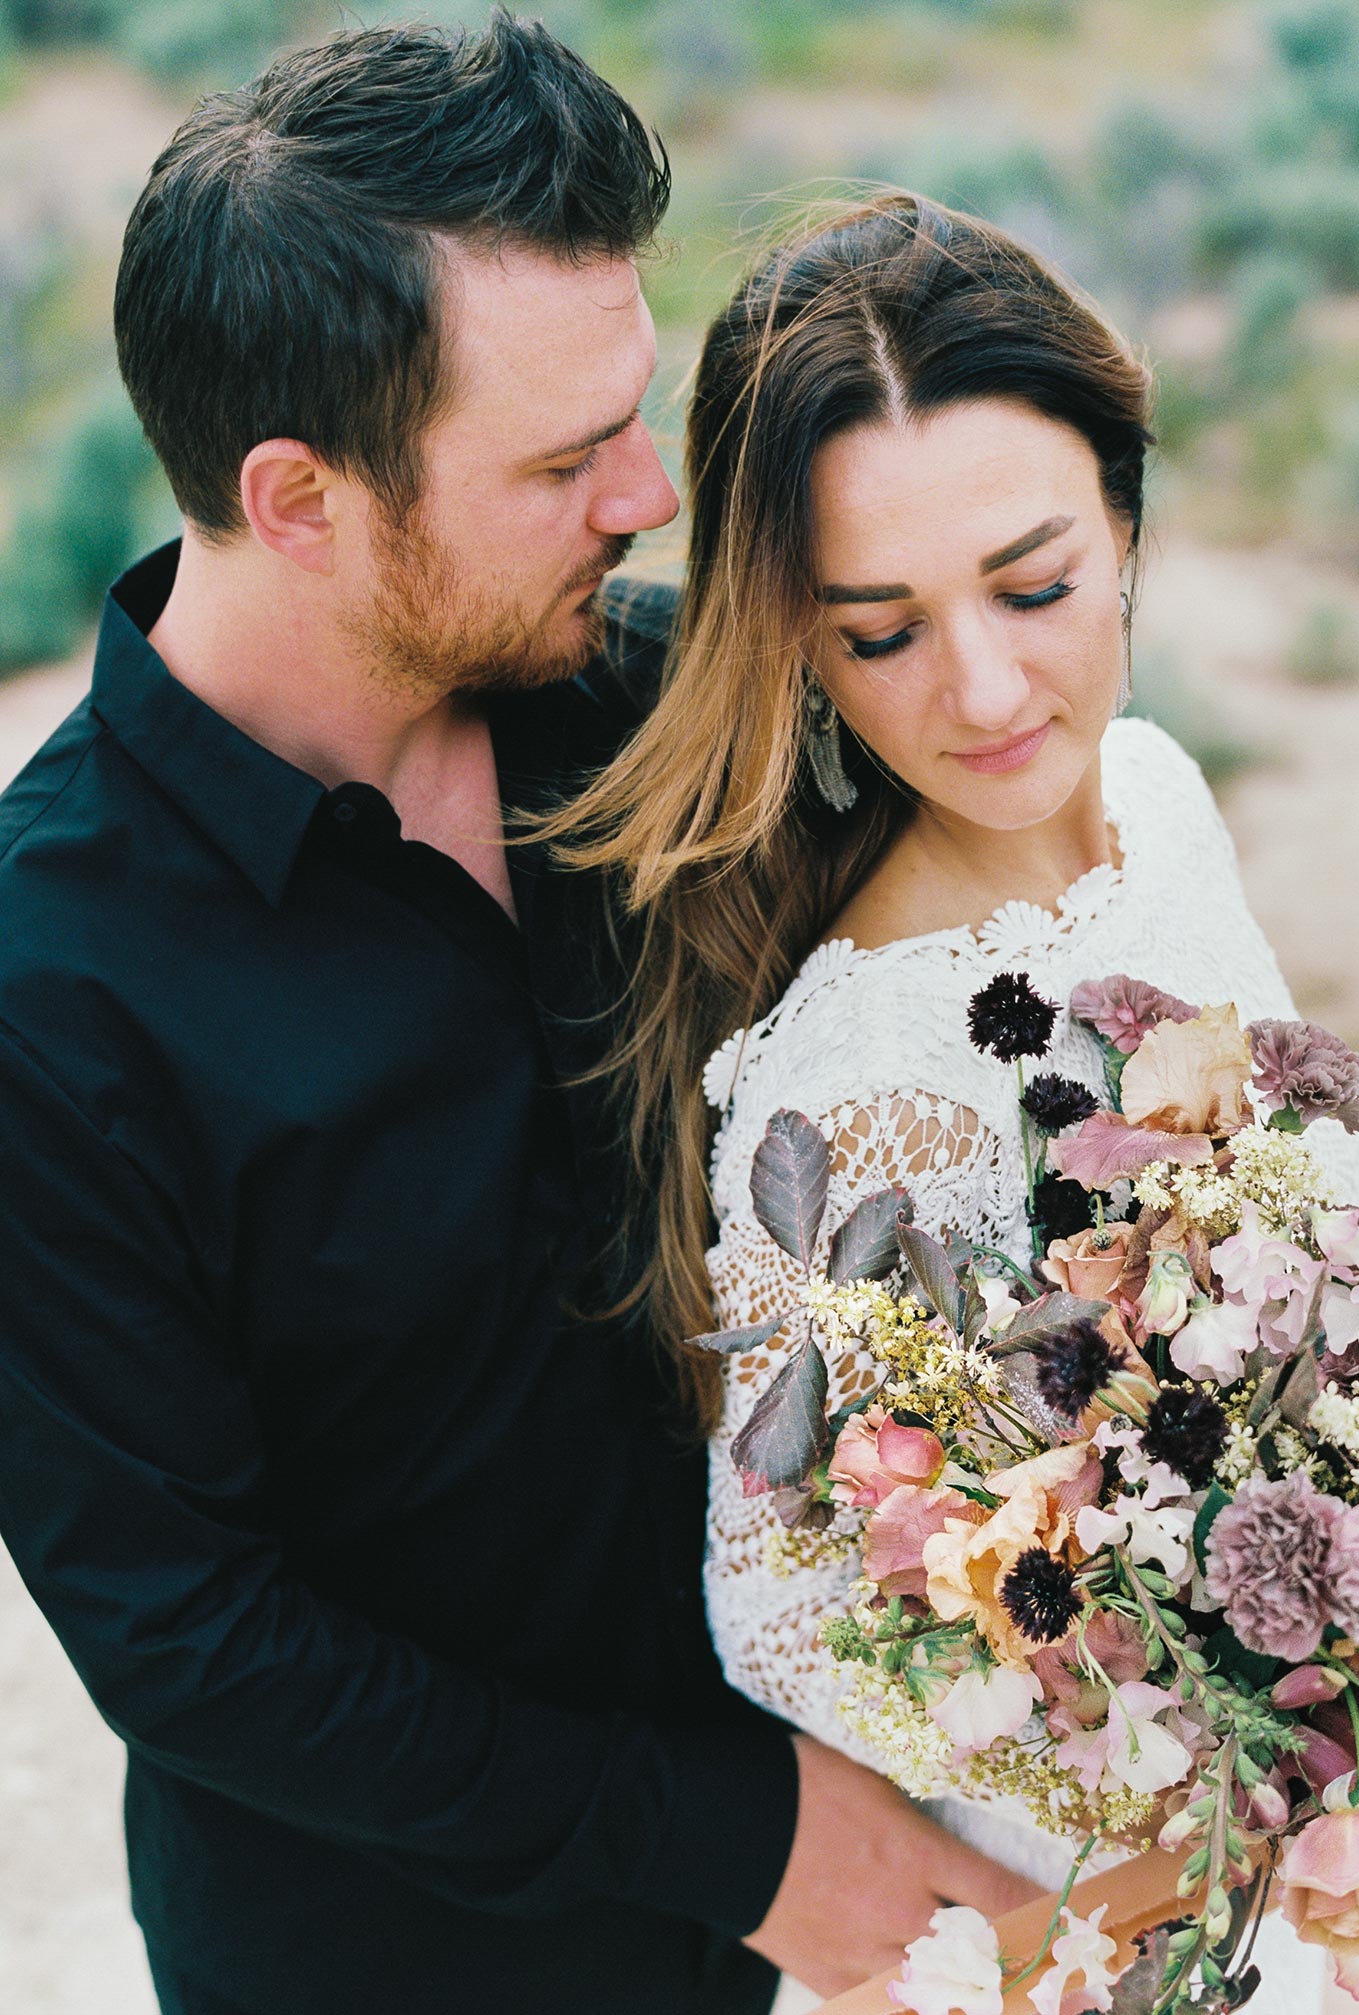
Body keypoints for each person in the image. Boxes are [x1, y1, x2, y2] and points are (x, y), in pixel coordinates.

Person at [0, 26, 1035, 2015]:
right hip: (390, 1957)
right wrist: (745, 1848)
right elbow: (196, 1642)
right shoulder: (54, 994)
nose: (650, 496)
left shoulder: (661, 714)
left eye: (628, 418)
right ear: (297, 499)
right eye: (565, 463)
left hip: (786, 1886)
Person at [542, 195, 1359, 2009]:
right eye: (881, 631)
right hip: (1096, 1905)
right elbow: (778, 1620)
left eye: (1036, 584)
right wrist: (1150, 1747)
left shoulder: (1157, 796)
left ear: (1130, 524)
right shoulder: (862, 1070)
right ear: (803, 648)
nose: (989, 692)